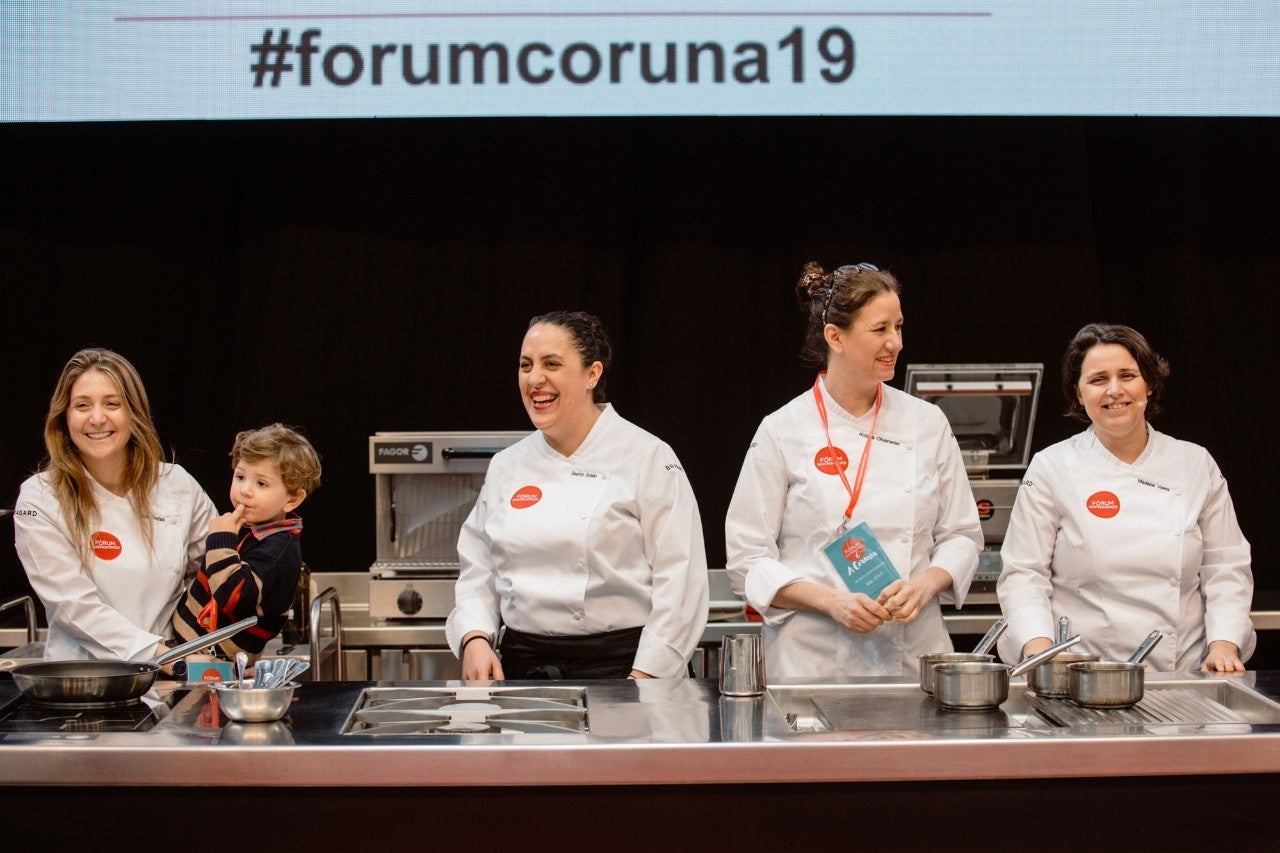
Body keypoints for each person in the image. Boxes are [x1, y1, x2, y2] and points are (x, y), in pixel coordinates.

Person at [725, 261, 983, 679]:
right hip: (813, 659)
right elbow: (746, 558)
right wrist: (831, 601)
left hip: (912, 652)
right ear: (835, 337)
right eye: (880, 329)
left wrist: (924, 585)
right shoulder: (783, 429)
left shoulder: (926, 422)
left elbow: (963, 535)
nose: (895, 343)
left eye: (898, 327)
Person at [446, 310, 709, 680]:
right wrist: (475, 638)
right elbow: (479, 568)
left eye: (551, 363)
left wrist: (647, 678)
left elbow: (682, 582)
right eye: (526, 365)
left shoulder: (647, 456)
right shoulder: (508, 465)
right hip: (523, 671)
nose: (535, 379)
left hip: (625, 670)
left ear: (592, 374)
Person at [996, 322, 1255, 673]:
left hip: (1182, 673)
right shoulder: (1052, 467)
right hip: (1079, 673)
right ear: (1078, 393)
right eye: (1098, 380)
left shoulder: (1194, 463)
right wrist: (1042, 651)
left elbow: (1226, 567)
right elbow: (1024, 573)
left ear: (1148, 383)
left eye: (1127, 376)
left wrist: (1224, 646)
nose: (1114, 391)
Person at [14, 347, 217, 663]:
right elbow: (73, 607)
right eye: (82, 405)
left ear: (133, 412)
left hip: (170, 681)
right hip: (83, 685)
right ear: (64, 417)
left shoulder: (176, 484)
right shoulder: (40, 498)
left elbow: (219, 568)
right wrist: (163, 657)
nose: (97, 419)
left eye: (112, 404)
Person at [172, 423, 321, 662]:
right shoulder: (253, 527)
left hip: (214, 661)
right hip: (188, 650)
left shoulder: (279, 549)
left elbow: (235, 598)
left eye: (261, 483)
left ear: (292, 499)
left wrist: (221, 540)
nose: (245, 491)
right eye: (240, 477)